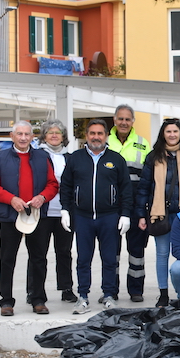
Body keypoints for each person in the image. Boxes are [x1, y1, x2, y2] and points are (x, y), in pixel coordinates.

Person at [0, 121, 59, 316]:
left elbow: (53, 184)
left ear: (32, 137)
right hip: (10, 217)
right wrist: (11, 199)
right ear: (12, 136)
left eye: (27, 134)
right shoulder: (0, 158)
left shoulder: (43, 157)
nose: (24, 138)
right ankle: (6, 302)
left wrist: (42, 197)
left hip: (36, 216)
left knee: (38, 259)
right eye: (20, 134)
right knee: (7, 259)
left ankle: (38, 299)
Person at [60, 119, 132, 314]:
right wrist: (65, 210)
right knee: (83, 258)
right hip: (82, 217)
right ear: (87, 135)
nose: (96, 137)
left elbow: (126, 189)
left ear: (106, 136)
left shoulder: (116, 159)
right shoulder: (76, 158)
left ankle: (109, 295)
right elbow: (65, 186)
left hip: (109, 217)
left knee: (109, 258)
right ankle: (82, 296)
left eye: (100, 133)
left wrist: (125, 214)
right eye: (92, 133)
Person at [136, 119, 180, 308]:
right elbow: (144, 187)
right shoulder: (153, 157)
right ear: (163, 134)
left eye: (175, 131)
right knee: (162, 254)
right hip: (160, 214)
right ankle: (163, 293)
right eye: (168, 131)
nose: (172, 135)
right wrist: (140, 214)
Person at [106, 104, 150, 302]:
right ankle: (110, 289)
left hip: (135, 206)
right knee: (111, 251)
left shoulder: (143, 144)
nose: (124, 122)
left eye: (128, 119)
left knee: (136, 250)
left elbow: (149, 179)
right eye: (120, 119)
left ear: (133, 121)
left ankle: (136, 290)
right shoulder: (104, 142)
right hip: (110, 207)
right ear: (114, 120)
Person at [37, 120, 76, 304]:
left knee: (64, 252)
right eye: (50, 132)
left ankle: (66, 288)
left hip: (64, 212)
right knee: (38, 254)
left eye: (58, 132)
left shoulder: (69, 157)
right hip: (42, 212)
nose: (54, 135)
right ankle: (35, 292)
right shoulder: (37, 156)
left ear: (64, 136)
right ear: (44, 135)